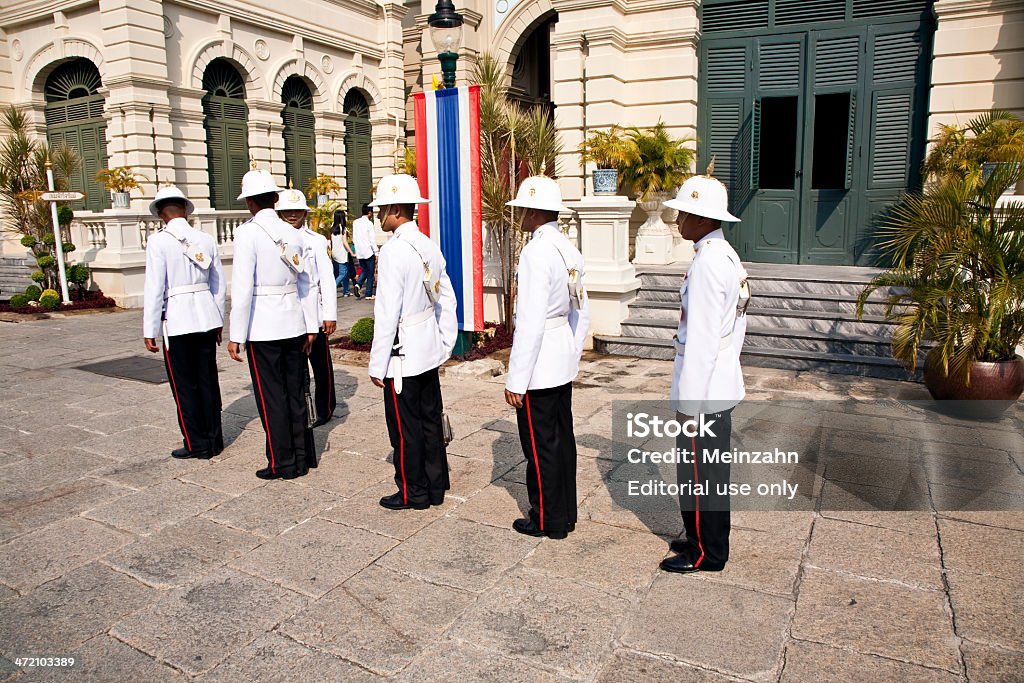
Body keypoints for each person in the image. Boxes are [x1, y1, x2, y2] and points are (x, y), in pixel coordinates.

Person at [660, 161, 749, 574]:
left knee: (699, 473)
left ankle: (705, 553)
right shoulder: (723, 256)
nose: (678, 220)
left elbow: (702, 343)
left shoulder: (709, 264)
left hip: (705, 391)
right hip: (719, 383)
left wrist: (690, 406)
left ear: (700, 217)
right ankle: (702, 537)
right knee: (707, 472)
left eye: (683, 213)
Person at [504, 176, 590, 540]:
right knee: (560, 440)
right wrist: (572, 350)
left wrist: (516, 379)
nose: (520, 214)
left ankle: (546, 518)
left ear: (535, 211)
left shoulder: (536, 251)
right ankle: (564, 512)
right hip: (559, 354)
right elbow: (581, 310)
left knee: (540, 447)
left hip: (540, 360)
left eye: (523, 207)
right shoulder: (568, 249)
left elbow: (530, 322)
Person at [367, 174, 457, 510]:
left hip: (402, 353)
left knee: (406, 429)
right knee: (430, 420)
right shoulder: (427, 245)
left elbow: (387, 311)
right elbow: (446, 299)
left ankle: (413, 491)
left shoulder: (393, 252)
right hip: (426, 348)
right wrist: (444, 342)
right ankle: (436, 486)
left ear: (394, 209)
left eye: (381, 209)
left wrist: (377, 363)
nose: (378, 215)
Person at [228, 168, 321, 480]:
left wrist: (236, 334)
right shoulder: (293, 234)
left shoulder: (247, 233)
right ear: (275, 199)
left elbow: (241, 288)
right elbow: (307, 285)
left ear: (250, 203)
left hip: (263, 326)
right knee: (295, 393)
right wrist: (311, 326)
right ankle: (302, 457)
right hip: (294, 322)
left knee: (272, 398)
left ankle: (282, 462)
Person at [142, 185, 225, 459]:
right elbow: (218, 283)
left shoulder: (159, 241)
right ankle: (214, 440)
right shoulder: (205, 238)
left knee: (184, 386)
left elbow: (155, 288)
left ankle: (196, 443)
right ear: (184, 210)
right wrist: (218, 319)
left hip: (177, 320)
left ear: (162, 215)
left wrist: (150, 329)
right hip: (205, 315)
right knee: (208, 380)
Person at [277, 188, 339, 426]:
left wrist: (329, 314)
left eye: (297, 211)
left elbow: (326, 279)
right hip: (289, 312)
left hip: (314, 311)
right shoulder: (276, 240)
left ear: (305, 213)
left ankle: (325, 408)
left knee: (321, 366)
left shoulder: (316, 241)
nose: (292, 215)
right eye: (287, 211)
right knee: (294, 367)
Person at [352, 203, 378, 299]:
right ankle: (368, 293)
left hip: (360, 252)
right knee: (370, 273)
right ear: (370, 213)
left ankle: (358, 284)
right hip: (368, 251)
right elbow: (372, 240)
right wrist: (376, 252)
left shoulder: (355, 223)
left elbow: (354, 238)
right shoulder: (369, 223)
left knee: (365, 270)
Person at [330, 210, 356, 296]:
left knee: (346, 271)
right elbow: (345, 242)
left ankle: (346, 291)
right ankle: (331, 289)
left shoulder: (332, 227)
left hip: (334, 252)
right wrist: (351, 252)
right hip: (341, 252)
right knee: (343, 273)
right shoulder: (343, 228)